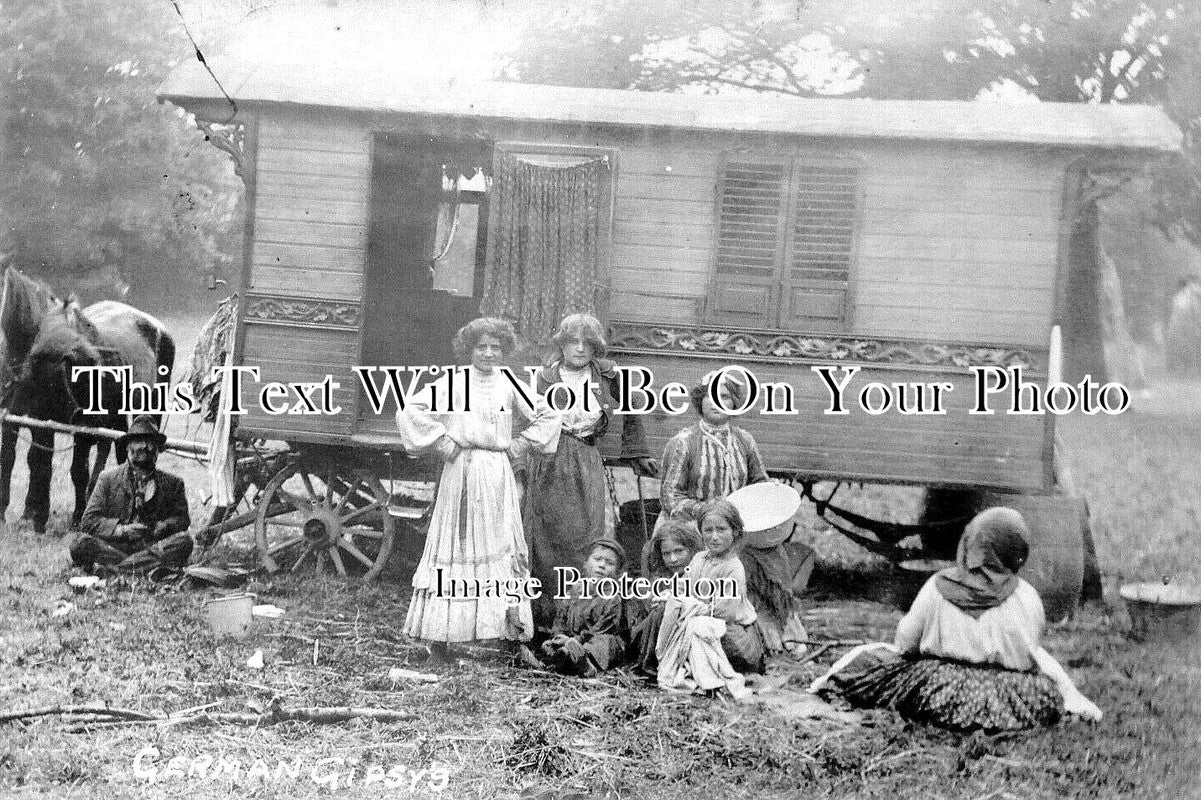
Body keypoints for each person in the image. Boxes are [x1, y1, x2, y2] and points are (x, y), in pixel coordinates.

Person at [810, 507, 1104, 732]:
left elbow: (905, 645)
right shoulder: (1027, 596)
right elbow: (1032, 653)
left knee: (870, 666)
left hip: (946, 693)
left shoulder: (938, 587)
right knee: (1050, 689)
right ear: (1018, 552)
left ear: (969, 544)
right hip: (1017, 699)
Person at [396, 317, 558, 662]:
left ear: (504, 351)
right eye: (481, 347)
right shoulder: (455, 382)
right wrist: (441, 441)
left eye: (495, 347)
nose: (488, 353)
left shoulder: (509, 384)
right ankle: (440, 641)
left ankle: (508, 638)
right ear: (469, 350)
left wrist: (522, 444)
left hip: (497, 474)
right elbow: (411, 410)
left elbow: (548, 415)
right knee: (455, 548)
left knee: (502, 548)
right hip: (462, 472)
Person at [523, 313, 656, 626]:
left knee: (586, 533)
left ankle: (582, 614)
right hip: (548, 460)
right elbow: (524, 418)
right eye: (573, 342)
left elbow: (633, 408)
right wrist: (519, 464)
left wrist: (635, 451)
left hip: (585, 458)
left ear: (596, 347)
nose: (580, 349)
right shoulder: (544, 377)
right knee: (545, 535)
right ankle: (544, 615)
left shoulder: (608, 376)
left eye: (587, 343)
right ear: (562, 344)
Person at [656, 500, 765, 697]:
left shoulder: (733, 567)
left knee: (696, 624)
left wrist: (691, 606)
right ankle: (671, 665)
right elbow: (686, 587)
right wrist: (670, 595)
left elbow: (726, 611)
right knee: (672, 610)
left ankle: (711, 681)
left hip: (736, 637)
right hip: (711, 628)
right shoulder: (699, 559)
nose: (714, 537)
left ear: (735, 532)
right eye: (708, 530)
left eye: (721, 529)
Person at [70, 416, 192, 574]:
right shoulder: (107, 478)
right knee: (79, 543)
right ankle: (141, 568)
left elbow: (182, 520)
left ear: (157, 449)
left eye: (150, 442)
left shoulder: (173, 483)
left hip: (153, 547)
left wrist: (164, 526)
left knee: (185, 541)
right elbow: (88, 521)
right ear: (128, 446)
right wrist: (122, 530)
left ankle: (118, 569)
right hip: (115, 546)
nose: (144, 446)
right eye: (138, 441)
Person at [657, 370, 768, 528]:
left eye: (724, 396)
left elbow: (760, 484)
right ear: (700, 401)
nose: (717, 401)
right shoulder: (683, 442)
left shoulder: (744, 440)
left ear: (734, 403)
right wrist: (707, 511)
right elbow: (671, 497)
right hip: (689, 529)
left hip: (734, 528)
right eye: (710, 395)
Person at [526, 538, 629, 677]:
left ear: (617, 571)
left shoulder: (613, 597)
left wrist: (576, 641)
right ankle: (562, 658)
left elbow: (601, 629)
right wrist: (558, 637)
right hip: (569, 642)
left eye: (609, 563)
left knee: (606, 642)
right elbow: (560, 620)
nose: (602, 565)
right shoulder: (575, 591)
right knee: (549, 645)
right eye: (597, 559)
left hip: (595, 645)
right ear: (586, 563)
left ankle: (584, 662)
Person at [627, 519, 704, 675]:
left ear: (692, 549)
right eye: (666, 554)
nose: (673, 559)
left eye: (679, 551)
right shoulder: (660, 578)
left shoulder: (700, 573)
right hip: (652, 636)